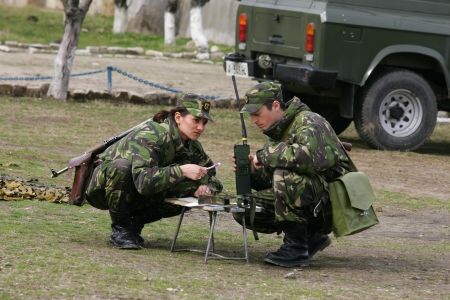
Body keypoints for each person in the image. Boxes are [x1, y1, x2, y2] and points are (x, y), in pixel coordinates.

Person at [233, 82, 351, 267]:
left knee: (284, 176)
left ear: (275, 105)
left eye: (257, 113)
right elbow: (270, 180)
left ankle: (295, 248)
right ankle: (310, 237)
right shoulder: (276, 133)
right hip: (313, 197)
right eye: (251, 115)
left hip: (333, 201)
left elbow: (308, 158)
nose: (254, 120)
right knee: (245, 208)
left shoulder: (309, 121)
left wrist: (264, 156)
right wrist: (251, 171)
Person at [85, 93, 223, 249]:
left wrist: (206, 188)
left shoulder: (192, 146)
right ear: (178, 117)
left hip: (136, 193)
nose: (201, 128)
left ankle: (134, 226)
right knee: (122, 167)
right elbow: (144, 182)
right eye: (196, 120)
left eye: (204, 122)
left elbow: (213, 177)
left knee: (187, 187)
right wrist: (181, 171)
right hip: (104, 189)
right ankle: (121, 230)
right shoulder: (151, 135)